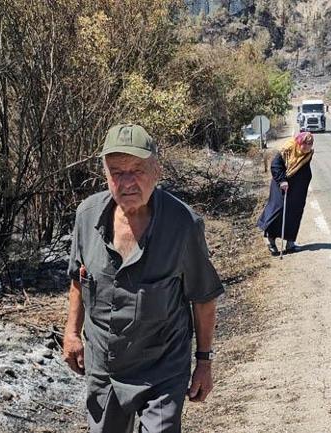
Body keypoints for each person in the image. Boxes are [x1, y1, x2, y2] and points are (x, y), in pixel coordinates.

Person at [63, 124, 224, 433]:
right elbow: (78, 279)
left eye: (137, 169)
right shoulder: (87, 215)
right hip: (104, 367)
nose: (127, 182)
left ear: (156, 171)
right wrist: (72, 333)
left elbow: (203, 297)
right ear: (106, 175)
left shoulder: (183, 225)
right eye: (117, 172)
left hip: (162, 366)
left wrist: (204, 363)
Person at [256, 131, 315, 255]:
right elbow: (276, 166)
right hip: (282, 186)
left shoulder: (308, 153)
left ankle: (290, 243)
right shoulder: (287, 149)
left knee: (295, 212)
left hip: (298, 189)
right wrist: (282, 180)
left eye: (310, 144)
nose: (307, 147)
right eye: (305, 143)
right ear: (299, 142)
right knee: (279, 210)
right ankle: (270, 241)